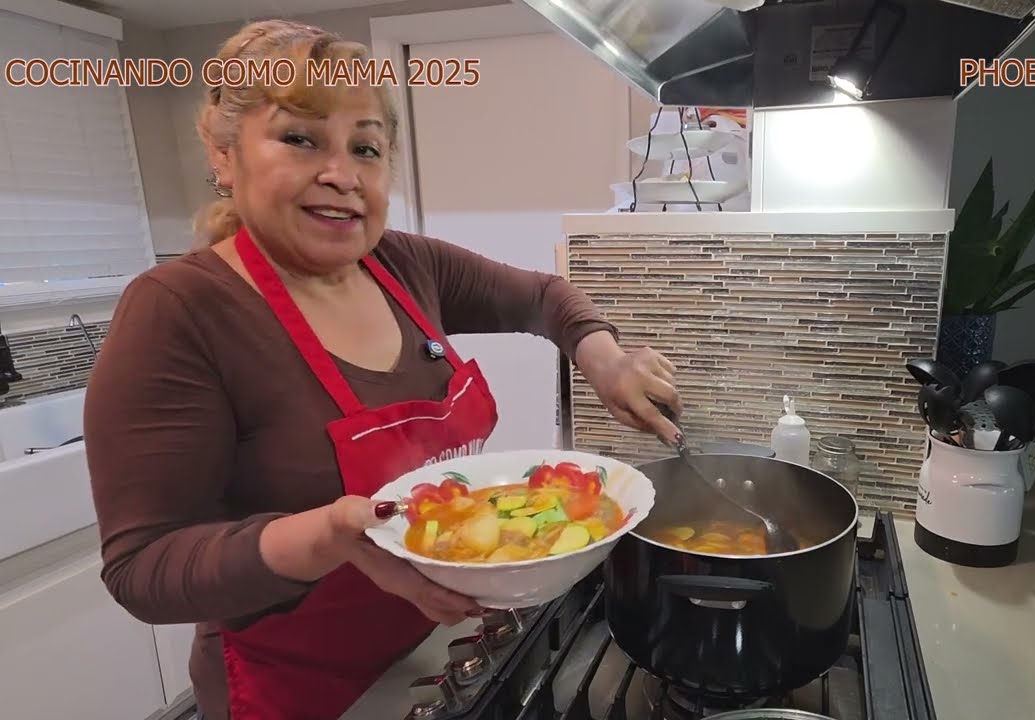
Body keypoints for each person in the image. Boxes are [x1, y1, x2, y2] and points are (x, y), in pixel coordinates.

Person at [83, 19, 682, 720]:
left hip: (434, 651)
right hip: (297, 689)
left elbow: (544, 298)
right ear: (223, 152)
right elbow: (143, 568)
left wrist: (605, 357)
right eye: (300, 139)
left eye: (365, 148)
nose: (342, 175)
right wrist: (324, 537)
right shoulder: (178, 310)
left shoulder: (403, 265)